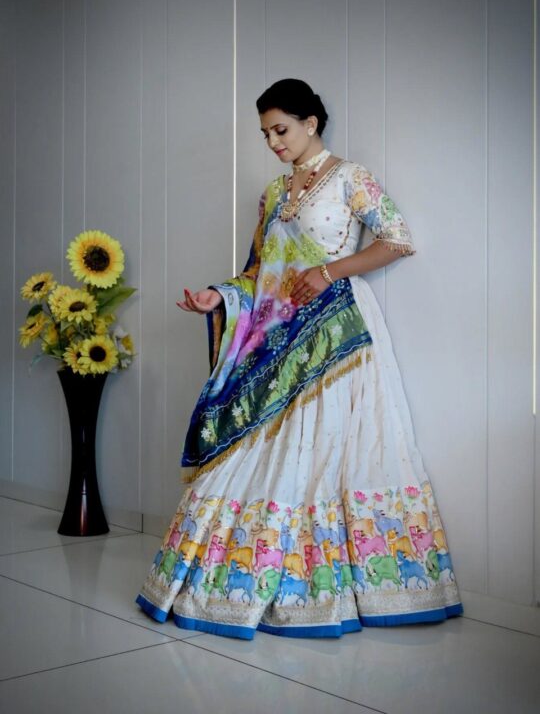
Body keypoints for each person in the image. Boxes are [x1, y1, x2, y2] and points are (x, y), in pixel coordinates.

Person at [135, 78, 464, 639]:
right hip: (277, 336)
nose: (273, 142)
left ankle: (337, 585)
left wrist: (329, 271)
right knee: (260, 451)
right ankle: (251, 579)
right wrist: (219, 296)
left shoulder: (350, 178)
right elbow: (258, 272)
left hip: (335, 336)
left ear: (311, 123)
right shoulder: (272, 194)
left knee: (327, 453)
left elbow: (398, 239)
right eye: (265, 134)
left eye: (281, 129)